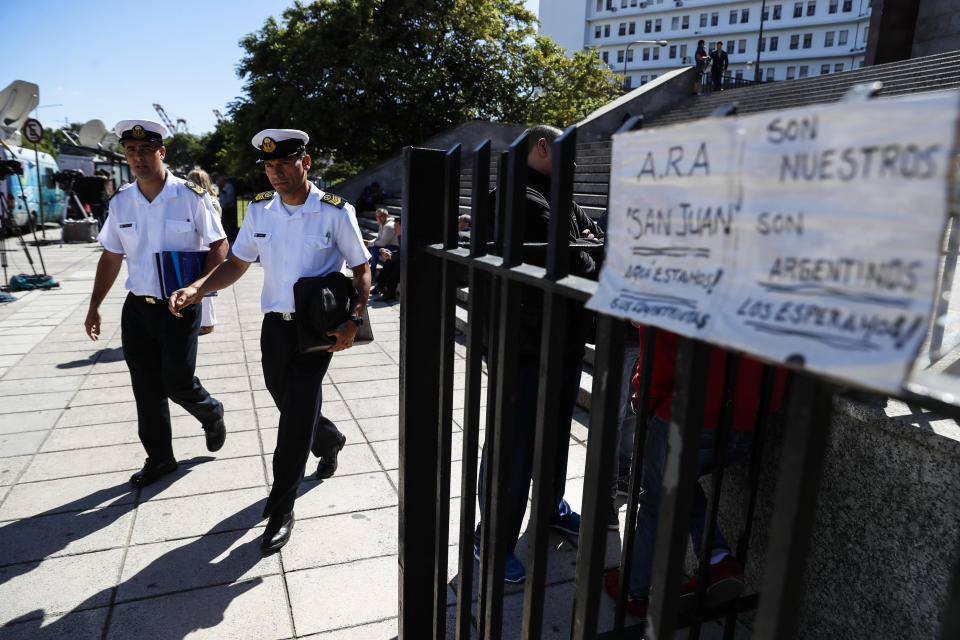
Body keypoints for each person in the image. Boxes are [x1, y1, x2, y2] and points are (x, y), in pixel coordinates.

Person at [168, 128, 371, 553]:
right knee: (285, 398)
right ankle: (329, 439)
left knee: (294, 416)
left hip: (317, 328)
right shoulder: (260, 210)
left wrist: (354, 319)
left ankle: (281, 507)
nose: (275, 172)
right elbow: (238, 263)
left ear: (306, 163)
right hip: (274, 327)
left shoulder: (335, 211)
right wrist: (199, 288)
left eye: (283, 163)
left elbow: (361, 268)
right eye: (268, 165)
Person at [474, 124, 605, 583]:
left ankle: (549, 507)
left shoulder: (553, 193)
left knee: (551, 437)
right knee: (514, 446)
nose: (575, 166)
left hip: (560, 340)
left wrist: (588, 243)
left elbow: (591, 240)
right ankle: (491, 538)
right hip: (527, 346)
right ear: (544, 146)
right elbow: (578, 261)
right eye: (567, 154)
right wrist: (589, 246)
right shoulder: (520, 197)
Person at [603, 327, 787, 620]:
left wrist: (647, 400)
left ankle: (634, 591)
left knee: (655, 501)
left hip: (688, 412)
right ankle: (717, 558)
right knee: (677, 481)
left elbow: (660, 347)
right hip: (747, 419)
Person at [84, 119, 228, 489]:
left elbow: (219, 247)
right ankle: (160, 459)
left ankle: (211, 412)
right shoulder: (121, 202)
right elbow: (112, 256)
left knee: (177, 382)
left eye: (146, 150)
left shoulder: (191, 196)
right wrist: (95, 304)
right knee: (145, 388)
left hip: (179, 306)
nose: (138, 157)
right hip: (138, 308)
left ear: (161, 152)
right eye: (131, 151)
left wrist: (198, 288)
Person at [188, 169, 221, 335]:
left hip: (206, 246)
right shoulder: (208, 199)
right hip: (201, 246)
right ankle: (204, 321)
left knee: (205, 286)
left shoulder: (209, 201)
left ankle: (207, 322)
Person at [371, 218, 401, 301]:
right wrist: (390, 253)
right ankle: (380, 286)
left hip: (409, 262)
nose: (394, 229)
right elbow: (401, 251)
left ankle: (390, 292)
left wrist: (392, 256)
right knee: (389, 261)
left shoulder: (406, 237)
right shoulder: (400, 236)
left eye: (396, 227)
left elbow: (406, 255)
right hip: (402, 259)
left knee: (396, 264)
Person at [366, 207, 397, 278]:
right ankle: (366, 268)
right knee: (371, 247)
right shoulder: (382, 224)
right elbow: (378, 238)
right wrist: (368, 242)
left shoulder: (389, 226)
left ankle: (372, 272)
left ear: (387, 216)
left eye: (381, 216)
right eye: (377, 216)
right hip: (388, 245)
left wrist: (369, 243)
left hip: (395, 247)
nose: (379, 219)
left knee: (374, 248)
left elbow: (382, 242)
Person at [216, 176, 238, 243]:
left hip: (228, 209)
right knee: (225, 223)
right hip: (224, 208)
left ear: (223, 181)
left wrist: (225, 207)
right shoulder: (223, 187)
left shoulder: (229, 187)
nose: (218, 182)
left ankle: (230, 238)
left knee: (228, 224)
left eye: (219, 181)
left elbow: (229, 198)